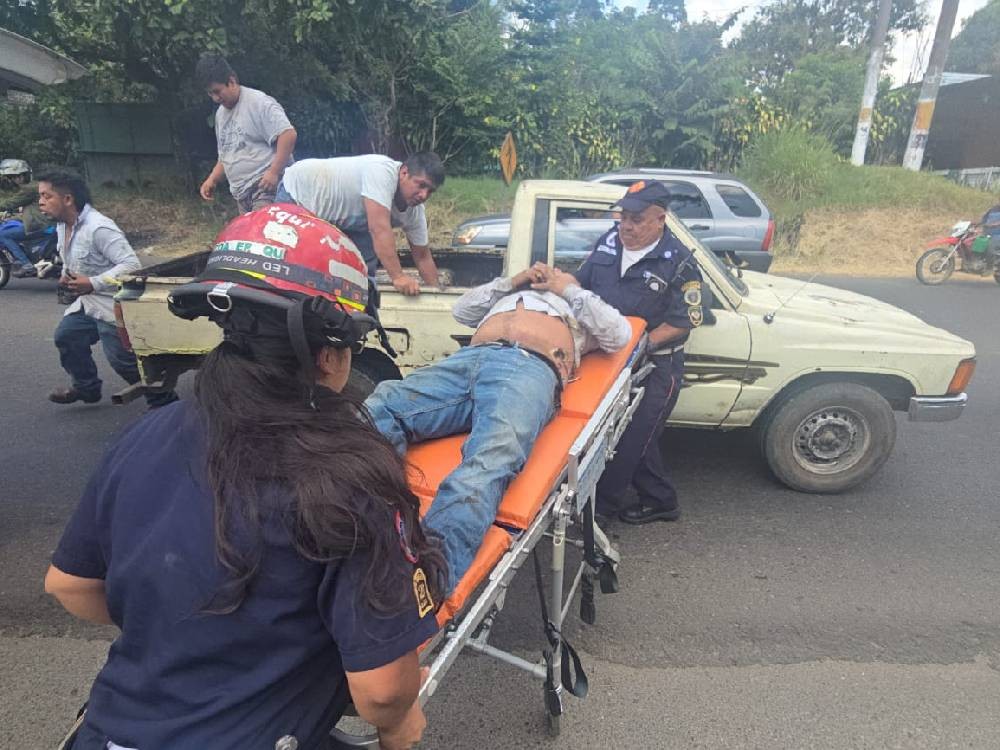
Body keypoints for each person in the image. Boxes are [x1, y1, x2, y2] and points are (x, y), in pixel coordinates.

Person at [44, 205, 446, 750]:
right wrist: (401, 722)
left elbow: (69, 584)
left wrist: (189, 643)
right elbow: (379, 693)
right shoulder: (351, 476)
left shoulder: (151, 431)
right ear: (330, 353)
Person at [365, 262, 632, 589]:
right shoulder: (506, 296)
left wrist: (567, 288)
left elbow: (620, 334)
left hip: (529, 367)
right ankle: (367, 520)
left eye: (560, 272)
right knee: (382, 404)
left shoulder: (580, 308)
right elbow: (462, 309)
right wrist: (515, 281)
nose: (549, 274)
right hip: (466, 362)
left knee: (491, 456)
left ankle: (423, 578)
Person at [575, 180, 706, 526]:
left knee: (630, 439)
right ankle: (661, 499)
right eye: (623, 218)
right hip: (605, 360)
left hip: (655, 365)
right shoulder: (608, 242)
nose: (626, 227)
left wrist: (638, 346)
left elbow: (685, 321)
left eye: (636, 220)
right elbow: (582, 282)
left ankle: (601, 511)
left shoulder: (679, 263)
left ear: (660, 218)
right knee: (617, 434)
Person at [37, 169, 178, 409]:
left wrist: (93, 282)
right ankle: (87, 388)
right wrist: (65, 277)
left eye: (47, 196)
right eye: (40, 196)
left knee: (123, 361)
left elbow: (131, 265)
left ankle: (165, 404)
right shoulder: (63, 226)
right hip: (87, 303)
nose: (40, 202)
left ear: (68, 199)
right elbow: (75, 261)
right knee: (67, 337)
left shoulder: (99, 228)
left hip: (113, 305)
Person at [276, 153, 444, 295]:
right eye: (421, 185)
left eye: (430, 191)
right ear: (404, 173)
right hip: (301, 193)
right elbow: (379, 229)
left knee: (362, 276)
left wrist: (437, 296)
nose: (423, 195)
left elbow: (422, 256)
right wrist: (398, 277)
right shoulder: (381, 172)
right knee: (293, 264)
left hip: (348, 221)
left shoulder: (415, 211)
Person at [195, 54, 297, 213]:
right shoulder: (220, 115)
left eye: (217, 91)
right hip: (242, 196)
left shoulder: (258, 102)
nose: (215, 98)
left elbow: (288, 135)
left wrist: (273, 172)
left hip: (266, 189)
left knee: (261, 236)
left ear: (232, 81)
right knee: (250, 237)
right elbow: (227, 154)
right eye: (210, 94)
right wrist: (212, 179)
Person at [0, 159, 49, 277]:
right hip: (43, 221)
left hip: (40, 225)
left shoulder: (29, 189)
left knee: (3, 234)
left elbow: (10, 203)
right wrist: (14, 216)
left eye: (13, 177)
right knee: (12, 224)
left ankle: (26, 264)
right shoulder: (36, 186)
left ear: (22, 176)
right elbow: (31, 208)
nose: (12, 180)